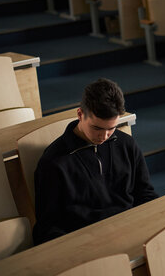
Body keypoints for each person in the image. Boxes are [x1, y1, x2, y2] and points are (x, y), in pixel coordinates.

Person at [32, 78, 158, 245]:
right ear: (80, 114)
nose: (104, 136)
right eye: (97, 128)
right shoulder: (53, 162)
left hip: (131, 230)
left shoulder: (127, 144)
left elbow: (146, 194)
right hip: (86, 242)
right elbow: (47, 227)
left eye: (111, 128)